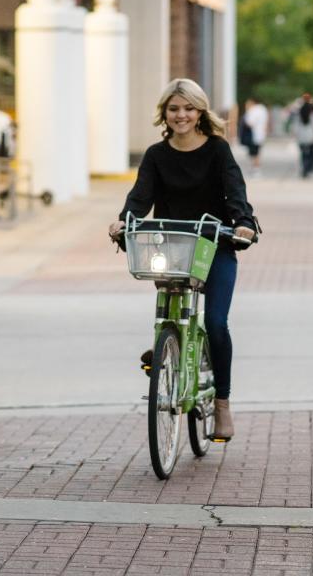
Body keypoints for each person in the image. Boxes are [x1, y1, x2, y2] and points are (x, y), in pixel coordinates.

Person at [108, 78, 259, 441]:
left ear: (200, 112)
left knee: (218, 323)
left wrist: (243, 224)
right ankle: (169, 346)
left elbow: (236, 193)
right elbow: (139, 198)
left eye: (189, 108)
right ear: (165, 113)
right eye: (174, 108)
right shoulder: (156, 155)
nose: (182, 115)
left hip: (216, 246)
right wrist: (124, 219)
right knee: (169, 311)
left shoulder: (218, 150)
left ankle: (221, 404)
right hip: (174, 248)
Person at [292, 94, 313, 178]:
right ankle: (308, 169)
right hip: (311, 136)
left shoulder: (298, 116)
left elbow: (295, 127)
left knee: (303, 154)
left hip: (301, 137)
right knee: (310, 154)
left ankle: (303, 168)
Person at [242, 97, 269, 176]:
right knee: (257, 152)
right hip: (261, 134)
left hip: (254, 135)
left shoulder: (253, 110)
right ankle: (255, 168)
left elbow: (250, 122)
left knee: (254, 153)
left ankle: (256, 169)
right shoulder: (262, 109)